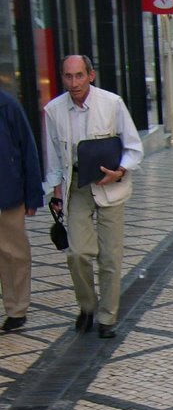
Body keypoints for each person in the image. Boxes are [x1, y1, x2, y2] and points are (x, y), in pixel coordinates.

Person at [42, 54, 144, 338]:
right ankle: (87, 306)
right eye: (67, 76)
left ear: (91, 75)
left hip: (110, 184)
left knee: (111, 256)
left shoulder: (112, 104)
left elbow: (133, 146)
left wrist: (120, 171)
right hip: (77, 185)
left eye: (78, 75)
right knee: (78, 254)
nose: (73, 82)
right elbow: (53, 160)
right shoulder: (53, 111)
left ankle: (107, 316)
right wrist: (56, 193)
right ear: (61, 77)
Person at [0, 90, 44, 333]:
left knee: (13, 254)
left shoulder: (8, 106)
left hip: (8, 194)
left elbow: (28, 149)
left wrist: (32, 195)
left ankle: (16, 309)